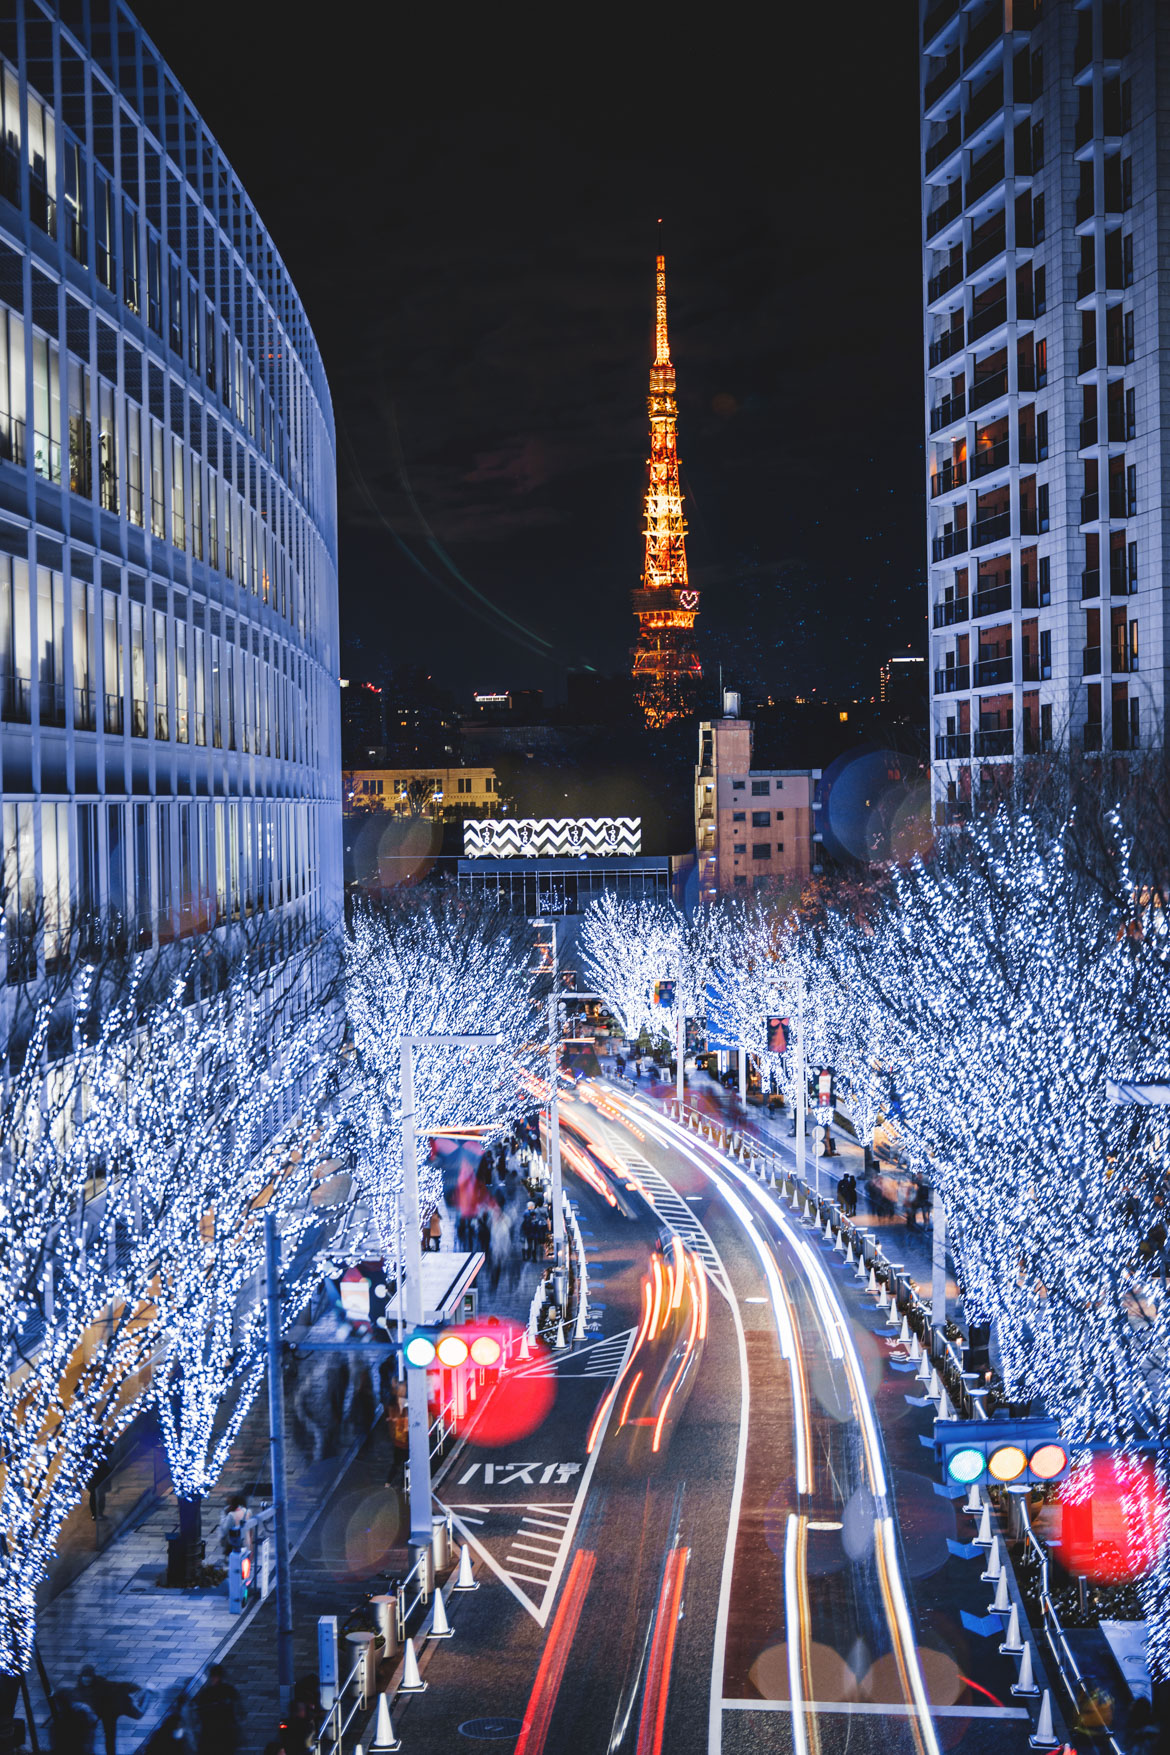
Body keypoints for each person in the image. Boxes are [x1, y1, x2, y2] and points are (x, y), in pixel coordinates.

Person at [76, 1668, 147, 1755]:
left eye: (89, 1677)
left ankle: (148, 1694)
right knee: (109, 1736)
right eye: (85, 1677)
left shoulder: (102, 1684)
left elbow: (120, 1685)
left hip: (121, 1704)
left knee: (139, 1715)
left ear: (93, 1678)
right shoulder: (80, 1688)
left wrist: (135, 1687)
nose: (87, 1679)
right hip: (107, 1713)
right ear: (81, 1677)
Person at [194, 1666, 242, 1755]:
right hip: (224, 1731)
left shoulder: (206, 1693)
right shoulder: (229, 1690)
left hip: (212, 1732)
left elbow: (200, 1712)